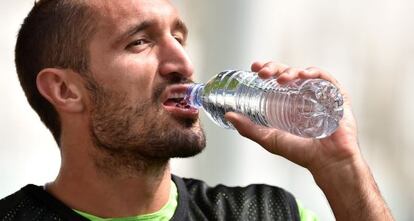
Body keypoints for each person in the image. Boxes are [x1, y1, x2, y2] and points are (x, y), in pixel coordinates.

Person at [0, 0, 393, 220]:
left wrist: (342, 168)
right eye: (139, 42)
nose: (183, 63)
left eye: (179, 37)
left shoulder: (264, 215)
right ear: (66, 90)